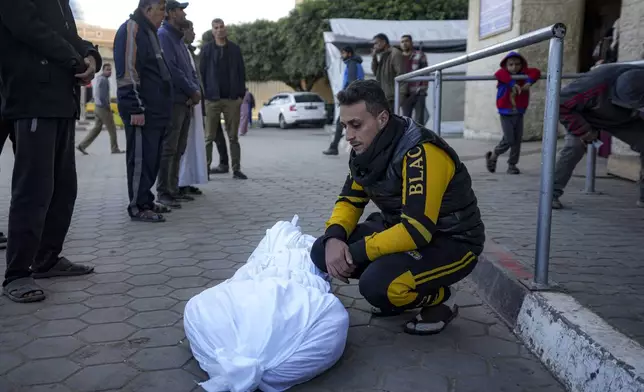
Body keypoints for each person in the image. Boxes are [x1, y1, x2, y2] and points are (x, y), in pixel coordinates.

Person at [310, 80, 485, 335]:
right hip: (400, 228)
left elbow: (417, 230)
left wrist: (355, 253)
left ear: (382, 118)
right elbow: (350, 200)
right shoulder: (365, 150)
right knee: (321, 251)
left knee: (377, 286)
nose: (348, 136)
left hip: (451, 240)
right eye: (345, 126)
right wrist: (335, 238)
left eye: (356, 125)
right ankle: (396, 293)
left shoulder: (420, 151)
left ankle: (441, 298)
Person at [0, 0, 101, 303]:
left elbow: (67, 33)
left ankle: (46, 259)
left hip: (60, 99)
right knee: (34, 189)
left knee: (63, 187)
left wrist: (90, 54)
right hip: (32, 97)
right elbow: (30, 29)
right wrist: (76, 61)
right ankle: (17, 273)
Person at [553, 63, 644, 209]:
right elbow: (560, 104)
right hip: (584, 116)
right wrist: (583, 131)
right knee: (574, 148)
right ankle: (550, 194)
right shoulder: (592, 85)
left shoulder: (639, 78)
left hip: (623, 118)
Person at [114, 0, 173, 222]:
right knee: (140, 160)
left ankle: (146, 200)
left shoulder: (150, 33)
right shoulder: (132, 28)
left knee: (151, 159)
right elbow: (128, 70)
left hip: (156, 112)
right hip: (141, 110)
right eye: (161, 9)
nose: (164, 15)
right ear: (147, 10)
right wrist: (134, 106)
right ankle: (137, 206)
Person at [156, 0, 201, 208]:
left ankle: (173, 189)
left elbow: (189, 70)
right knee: (169, 148)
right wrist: (191, 90)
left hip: (185, 101)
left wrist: (194, 90)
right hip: (174, 100)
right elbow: (172, 70)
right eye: (180, 10)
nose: (183, 13)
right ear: (171, 13)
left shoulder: (178, 40)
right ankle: (164, 191)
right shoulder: (164, 36)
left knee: (179, 148)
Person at [201, 18, 248, 179]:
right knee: (209, 137)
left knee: (233, 137)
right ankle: (205, 170)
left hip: (232, 98)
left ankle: (236, 169)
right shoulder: (206, 50)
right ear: (212, 31)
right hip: (212, 99)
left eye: (222, 27)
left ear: (225, 29)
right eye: (216, 27)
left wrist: (241, 95)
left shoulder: (234, 49)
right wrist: (205, 95)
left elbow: (242, 72)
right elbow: (202, 74)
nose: (220, 30)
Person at [485, 52, 541, 175]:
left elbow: (536, 71)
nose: (514, 67)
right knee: (509, 139)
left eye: (517, 64)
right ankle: (494, 155)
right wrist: (512, 83)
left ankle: (512, 165)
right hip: (506, 112)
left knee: (517, 140)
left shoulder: (523, 75)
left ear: (522, 65)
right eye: (511, 65)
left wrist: (528, 82)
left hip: (519, 112)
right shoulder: (503, 75)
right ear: (506, 65)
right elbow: (499, 73)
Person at [178, 20, 208, 195]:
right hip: (186, 101)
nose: (194, 33)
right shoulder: (178, 48)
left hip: (194, 101)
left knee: (191, 144)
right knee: (183, 145)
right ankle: (179, 183)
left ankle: (187, 180)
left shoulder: (189, 51)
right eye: (192, 30)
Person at [323, 46, 365, 156]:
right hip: (355, 98)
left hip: (351, 99)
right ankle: (335, 146)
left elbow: (352, 83)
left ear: (349, 54)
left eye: (343, 53)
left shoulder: (352, 64)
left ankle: (334, 147)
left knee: (341, 122)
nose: (342, 56)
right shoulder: (355, 64)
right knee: (349, 123)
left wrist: (345, 97)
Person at [77, 63, 123, 155]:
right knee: (112, 128)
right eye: (107, 70)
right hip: (103, 108)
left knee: (97, 128)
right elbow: (102, 96)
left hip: (97, 107)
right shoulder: (103, 80)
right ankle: (114, 148)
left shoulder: (100, 79)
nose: (109, 72)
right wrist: (107, 106)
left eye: (110, 70)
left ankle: (82, 145)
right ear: (103, 70)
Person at [371, 33, 405, 114]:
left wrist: (399, 99)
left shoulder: (395, 54)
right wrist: (374, 58)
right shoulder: (383, 55)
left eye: (376, 43)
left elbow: (402, 76)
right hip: (384, 98)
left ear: (383, 42)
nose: (374, 46)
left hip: (392, 98)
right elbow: (376, 73)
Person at [400, 35, 429, 125]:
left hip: (418, 92)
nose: (404, 44)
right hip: (404, 93)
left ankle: (420, 138)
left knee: (420, 119)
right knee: (406, 119)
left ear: (411, 43)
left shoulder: (419, 55)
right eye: (402, 42)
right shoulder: (398, 57)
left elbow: (426, 72)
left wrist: (423, 89)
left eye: (406, 41)